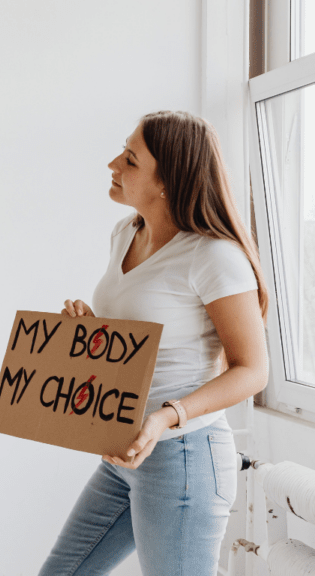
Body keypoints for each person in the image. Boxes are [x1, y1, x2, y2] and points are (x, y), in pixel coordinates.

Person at [39, 111, 269, 576]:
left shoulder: (213, 256)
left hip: (182, 456)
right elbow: (143, 336)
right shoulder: (126, 233)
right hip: (124, 451)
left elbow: (252, 370)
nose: (112, 164)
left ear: (167, 181)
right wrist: (88, 331)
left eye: (129, 159)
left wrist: (167, 416)